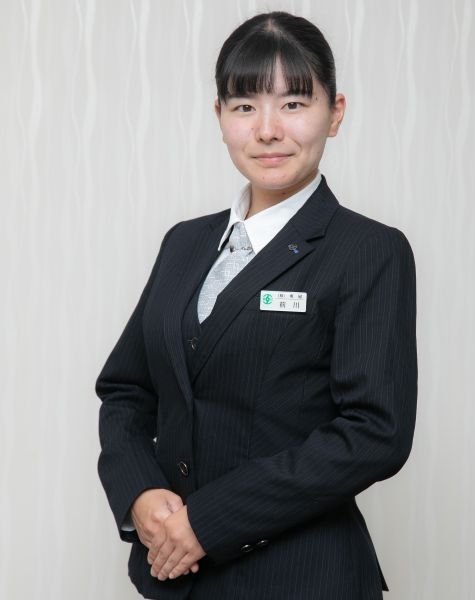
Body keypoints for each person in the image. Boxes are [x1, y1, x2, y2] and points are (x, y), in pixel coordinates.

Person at [95, 10, 417, 600]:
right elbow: (125, 391)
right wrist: (139, 492)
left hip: (303, 579)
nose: (267, 130)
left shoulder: (368, 251)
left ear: (335, 113)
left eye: (293, 103)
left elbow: (375, 432)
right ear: (219, 116)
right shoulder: (184, 243)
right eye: (245, 106)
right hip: (176, 581)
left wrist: (207, 521)